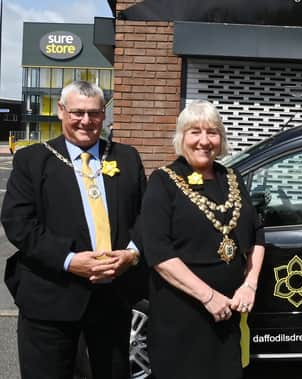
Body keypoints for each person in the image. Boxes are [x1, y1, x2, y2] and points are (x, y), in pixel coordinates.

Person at [1, 81, 147, 379]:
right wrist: (69, 260)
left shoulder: (127, 158)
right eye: (77, 112)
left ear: (103, 115)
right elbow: (19, 223)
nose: (85, 121)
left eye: (93, 113)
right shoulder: (33, 160)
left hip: (113, 296)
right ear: (61, 111)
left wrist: (131, 254)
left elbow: (146, 218)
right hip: (51, 296)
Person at [138, 100, 265, 379]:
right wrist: (208, 297)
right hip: (182, 314)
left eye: (212, 132)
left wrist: (249, 285)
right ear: (181, 137)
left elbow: (257, 234)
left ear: (221, 139)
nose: (204, 141)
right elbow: (158, 252)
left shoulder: (232, 177)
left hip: (228, 314)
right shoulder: (163, 181)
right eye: (194, 132)